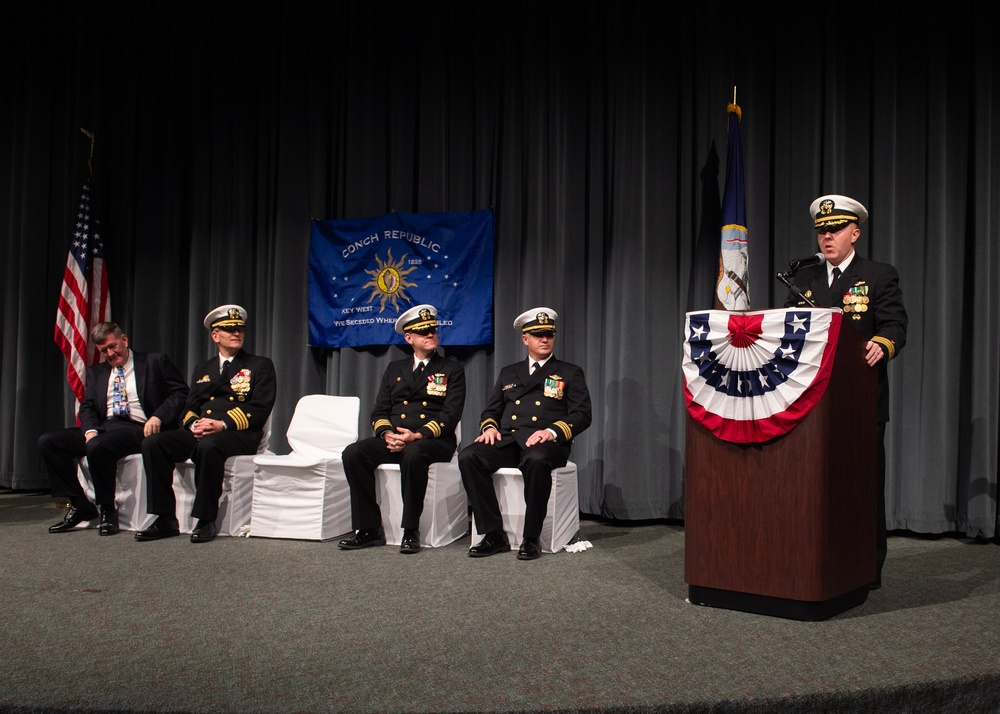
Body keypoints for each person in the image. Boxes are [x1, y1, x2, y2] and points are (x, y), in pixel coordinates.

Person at [785, 194, 907, 589]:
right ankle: (817, 562)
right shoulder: (804, 279)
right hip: (809, 402)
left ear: (854, 232)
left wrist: (882, 344)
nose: (827, 237)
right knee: (814, 488)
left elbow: (894, 325)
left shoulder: (879, 274)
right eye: (821, 231)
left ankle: (865, 569)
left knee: (861, 488)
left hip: (859, 402)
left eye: (835, 230)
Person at [458, 307, 592, 560]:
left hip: (548, 443)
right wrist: (489, 428)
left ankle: (531, 538)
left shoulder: (569, 372)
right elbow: (492, 410)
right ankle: (493, 534)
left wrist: (552, 432)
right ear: (525, 338)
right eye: (538, 334)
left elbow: (582, 415)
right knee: (469, 456)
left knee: (536, 459)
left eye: (549, 334)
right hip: (509, 440)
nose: (544, 339)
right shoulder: (509, 372)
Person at [135, 304, 276, 543]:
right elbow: (190, 406)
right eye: (230, 330)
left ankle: (205, 518)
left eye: (240, 329)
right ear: (215, 335)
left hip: (238, 434)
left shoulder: (259, 365)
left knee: (209, 446)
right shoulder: (203, 368)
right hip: (203, 431)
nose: (237, 333)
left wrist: (221, 424)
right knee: (154, 443)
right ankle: (165, 518)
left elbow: (260, 408)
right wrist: (194, 425)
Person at [338, 304, 466, 554]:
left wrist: (416, 436)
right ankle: (368, 529)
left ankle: (410, 530)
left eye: (432, 330)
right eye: (423, 332)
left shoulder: (451, 369)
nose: (430, 335)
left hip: (433, 439)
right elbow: (379, 411)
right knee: (354, 453)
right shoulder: (395, 369)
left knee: (413, 453)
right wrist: (387, 434)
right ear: (409, 338)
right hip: (396, 437)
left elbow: (451, 414)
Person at [39, 322, 189, 536]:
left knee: (98, 446)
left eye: (113, 346)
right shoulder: (97, 372)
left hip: (140, 426)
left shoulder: (155, 361)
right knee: (49, 441)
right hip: (105, 427)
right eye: (103, 351)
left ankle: (107, 509)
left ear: (124, 340)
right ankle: (80, 503)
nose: (109, 353)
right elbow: (88, 406)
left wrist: (158, 416)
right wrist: (89, 430)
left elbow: (180, 393)